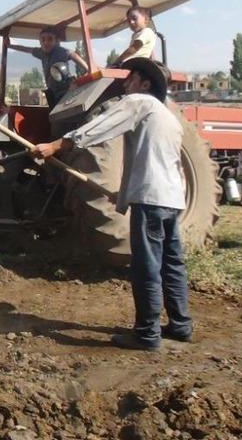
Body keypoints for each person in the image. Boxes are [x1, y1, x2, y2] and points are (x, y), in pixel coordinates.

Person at [30, 57, 192, 351]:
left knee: (147, 265)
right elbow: (155, 160)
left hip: (151, 200)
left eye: (130, 79)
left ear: (145, 84)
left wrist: (54, 146)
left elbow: (98, 128)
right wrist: (125, 193)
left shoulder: (138, 102)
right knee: (172, 262)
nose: (125, 84)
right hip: (171, 199)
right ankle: (181, 326)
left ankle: (146, 334)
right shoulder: (168, 116)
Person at [7, 26, 90, 109]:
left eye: (50, 39)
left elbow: (74, 55)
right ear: (40, 42)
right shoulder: (41, 52)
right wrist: (10, 46)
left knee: (60, 110)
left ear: (56, 41)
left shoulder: (61, 51)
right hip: (52, 91)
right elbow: (26, 49)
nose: (46, 42)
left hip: (66, 89)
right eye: (43, 39)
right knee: (29, 98)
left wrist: (87, 70)